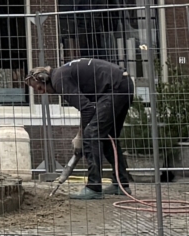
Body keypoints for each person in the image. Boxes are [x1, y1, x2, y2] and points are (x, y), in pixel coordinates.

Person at [28, 56, 133, 199]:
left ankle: (94, 187)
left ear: (44, 79)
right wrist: (81, 133)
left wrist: (80, 136)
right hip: (123, 84)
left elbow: (87, 110)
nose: (41, 92)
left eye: (39, 88)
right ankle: (120, 184)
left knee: (91, 135)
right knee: (109, 137)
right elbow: (88, 110)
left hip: (114, 88)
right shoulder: (62, 74)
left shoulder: (59, 81)